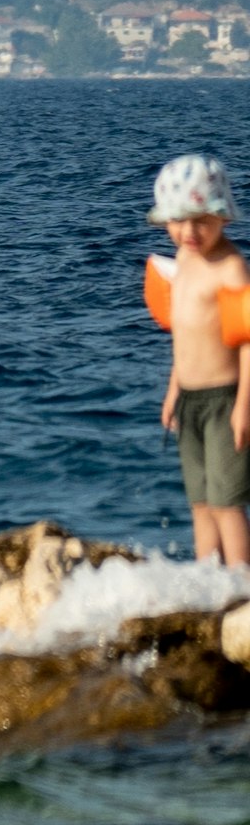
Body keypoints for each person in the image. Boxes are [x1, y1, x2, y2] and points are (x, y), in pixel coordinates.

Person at [150, 153, 248, 567]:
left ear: (222, 218)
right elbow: (184, 338)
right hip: (189, 399)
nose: (189, 232)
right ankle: (209, 584)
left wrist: (244, 404)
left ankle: (243, 589)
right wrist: (173, 392)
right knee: (202, 502)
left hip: (226, 401)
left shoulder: (230, 269)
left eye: (200, 220)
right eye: (179, 221)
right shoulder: (185, 261)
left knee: (228, 503)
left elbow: (247, 341)